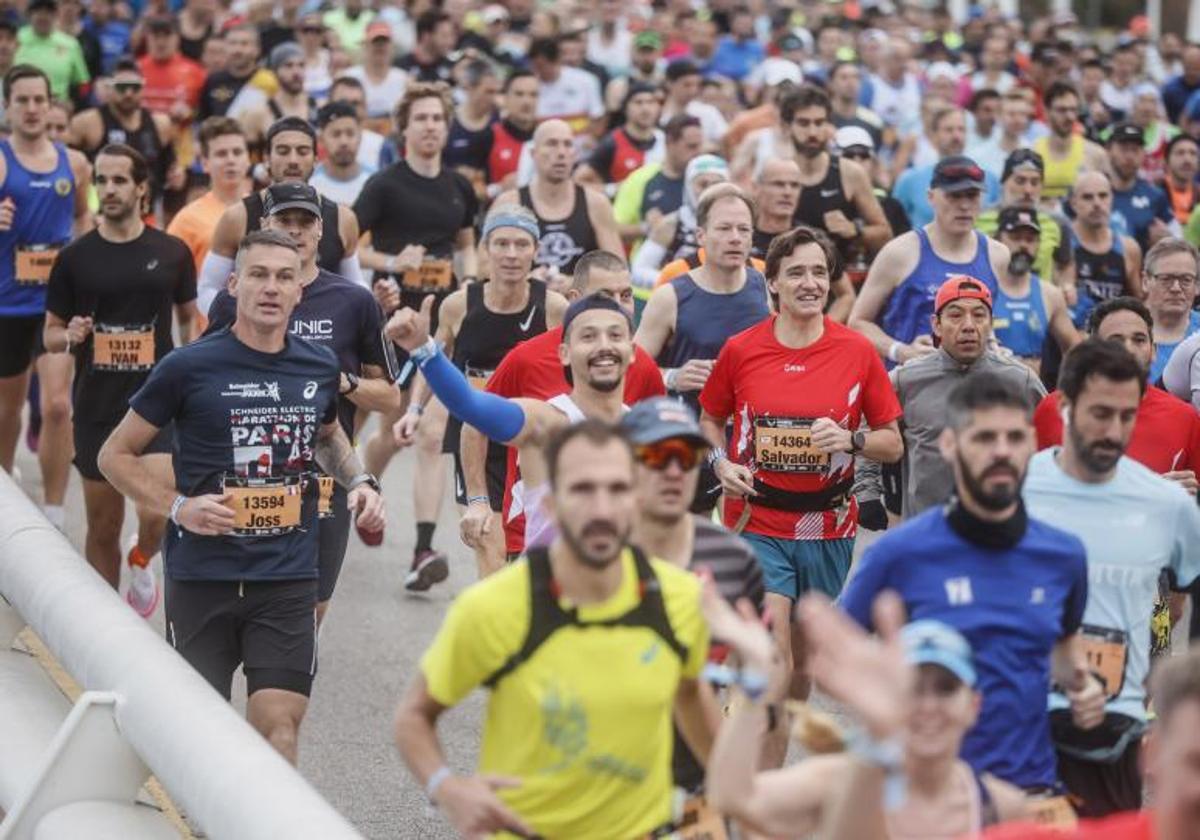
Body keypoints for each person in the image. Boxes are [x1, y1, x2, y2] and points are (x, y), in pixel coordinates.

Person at [98, 229, 385, 764]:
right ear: (234, 284)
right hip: (203, 577)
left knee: (279, 730)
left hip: (288, 577)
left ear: (301, 289)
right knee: (197, 737)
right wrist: (180, 507)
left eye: (284, 276)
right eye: (257, 275)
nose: (271, 288)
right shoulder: (187, 367)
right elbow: (114, 456)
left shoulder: (319, 365)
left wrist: (361, 481)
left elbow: (326, 435)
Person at [393, 420, 712, 840]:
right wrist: (447, 788)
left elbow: (692, 700)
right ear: (549, 504)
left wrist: (715, 806)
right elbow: (413, 715)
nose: (601, 509)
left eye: (616, 490)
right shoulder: (493, 606)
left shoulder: (683, 599)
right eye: (582, 490)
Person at [839, 372, 1105, 793]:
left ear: (1033, 445)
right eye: (983, 438)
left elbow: (1063, 649)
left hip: (1029, 789)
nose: (1002, 451)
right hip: (927, 795)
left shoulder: (1064, 555)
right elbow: (834, 654)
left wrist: (1084, 685)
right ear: (949, 445)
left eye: (1015, 438)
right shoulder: (901, 553)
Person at [699, 225, 902, 755]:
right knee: (774, 654)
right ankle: (760, 803)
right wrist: (721, 463)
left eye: (818, 272)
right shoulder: (742, 350)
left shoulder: (856, 353)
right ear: (773, 284)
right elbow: (709, 419)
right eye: (796, 273)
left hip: (827, 526)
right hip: (757, 520)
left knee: (800, 667)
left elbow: (891, 443)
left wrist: (851, 438)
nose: (809, 283)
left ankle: (766, 742)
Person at [1023, 338, 1200, 818]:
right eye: (1101, 413)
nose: (1115, 431)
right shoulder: (1016, 492)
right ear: (1064, 406)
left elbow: (1186, 595)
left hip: (1113, 732)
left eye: (1127, 415)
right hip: (1019, 720)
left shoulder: (1168, 506)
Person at [205, 184, 398, 622]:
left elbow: (389, 397)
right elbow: (202, 380)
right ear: (263, 226)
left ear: (320, 230)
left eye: (305, 222)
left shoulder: (354, 301)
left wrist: (342, 383)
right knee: (240, 605)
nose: (295, 231)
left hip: (326, 476)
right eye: (284, 221)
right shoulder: (234, 300)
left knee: (311, 612)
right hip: (249, 473)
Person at [705, 595, 1027, 837]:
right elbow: (735, 798)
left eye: (945, 689)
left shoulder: (1002, 806)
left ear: (973, 706)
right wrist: (753, 684)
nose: (928, 705)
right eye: (912, 688)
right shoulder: (837, 780)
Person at [43, 144, 195, 613]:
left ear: (142, 188)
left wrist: (192, 373)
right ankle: (106, 625)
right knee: (102, 527)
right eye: (102, 181)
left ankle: (143, 555)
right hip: (97, 406)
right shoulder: (74, 259)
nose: (108, 190)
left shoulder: (171, 252)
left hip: (157, 405)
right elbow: (49, 336)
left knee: (156, 511)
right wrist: (68, 335)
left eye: (119, 180)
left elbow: (190, 320)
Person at [394, 206, 567, 583]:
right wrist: (414, 411)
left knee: (540, 546)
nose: (511, 254)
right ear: (486, 248)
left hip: (531, 438)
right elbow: (432, 357)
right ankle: (499, 629)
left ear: (535, 251)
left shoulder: (553, 308)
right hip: (476, 438)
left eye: (521, 244)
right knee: (491, 544)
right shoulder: (460, 304)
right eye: (501, 243)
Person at [466, 250, 665, 563]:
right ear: (575, 298)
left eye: (626, 295)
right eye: (605, 295)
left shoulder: (640, 364)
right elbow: (474, 419)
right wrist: (478, 500)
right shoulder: (527, 358)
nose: (618, 304)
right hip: (531, 533)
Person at [353, 81, 478, 578]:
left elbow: (468, 242)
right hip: (392, 323)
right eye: (421, 118)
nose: (430, 126)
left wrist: (468, 278)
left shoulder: (459, 186)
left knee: (430, 433)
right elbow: (349, 246)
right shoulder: (385, 184)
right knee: (391, 432)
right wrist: (389, 260)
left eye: (438, 119)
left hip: (440, 326)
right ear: (404, 127)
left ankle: (423, 550)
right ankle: (367, 487)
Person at [621, 396, 765, 799]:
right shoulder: (593, 554)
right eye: (656, 455)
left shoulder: (734, 559)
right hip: (605, 780)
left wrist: (734, 734)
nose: (673, 471)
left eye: (685, 457)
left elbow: (749, 673)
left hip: (697, 779)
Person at [0, 65, 91, 532]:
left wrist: (82, 266)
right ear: (8, 106)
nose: (33, 109)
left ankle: (54, 513)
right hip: (7, 306)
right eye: (23, 100)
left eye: (40, 100)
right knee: (7, 409)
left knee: (57, 405)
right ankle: (5, 500)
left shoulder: (73, 163)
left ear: (51, 103)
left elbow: (82, 220)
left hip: (55, 306)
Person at [850, 156, 1008, 365]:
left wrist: (994, 347)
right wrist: (900, 351)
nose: (964, 206)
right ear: (931, 197)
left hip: (972, 387)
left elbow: (987, 323)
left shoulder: (997, 255)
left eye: (972, 196)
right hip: (912, 385)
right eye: (954, 196)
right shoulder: (900, 252)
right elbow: (857, 322)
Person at [636, 184, 771, 428]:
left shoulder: (763, 284)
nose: (735, 238)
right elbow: (630, 367)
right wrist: (672, 376)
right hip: (691, 433)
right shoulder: (671, 296)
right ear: (701, 236)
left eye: (743, 229)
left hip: (754, 433)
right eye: (723, 228)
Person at [199, 116, 363, 312]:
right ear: (266, 158)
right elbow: (208, 288)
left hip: (322, 334)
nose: (293, 160)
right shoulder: (237, 217)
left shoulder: (342, 218)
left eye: (302, 152)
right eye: (283, 151)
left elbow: (357, 286)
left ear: (315, 159)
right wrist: (239, 322)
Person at [493, 118, 622, 280]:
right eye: (552, 144)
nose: (561, 153)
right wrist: (525, 281)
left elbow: (618, 270)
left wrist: (575, 283)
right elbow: (485, 269)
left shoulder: (596, 203)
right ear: (533, 153)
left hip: (579, 302)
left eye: (568, 145)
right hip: (524, 301)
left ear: (575, 154)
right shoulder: (509, 203)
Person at [783, 86, 892, 269]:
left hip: (841, 278)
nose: (812, 132)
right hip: (790, 279)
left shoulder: (850, 173)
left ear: (829, 126)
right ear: (787, 127)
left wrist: (855, 231)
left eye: (819, 123)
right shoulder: (776, 173)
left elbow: (885, 234)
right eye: (803, 123)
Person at [67, 57, 179, 215]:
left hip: (145, 216)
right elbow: (66, 165)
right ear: (109, 88)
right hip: (101, 216)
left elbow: (173, 174)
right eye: (122, 87)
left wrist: (176, 175)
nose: (128, 93)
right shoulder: (87, 123)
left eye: (134, 88)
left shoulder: (160, 124)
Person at [992, 206, 1080, 375]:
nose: (1023, 245)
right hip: (989, 388)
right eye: (1015, 238)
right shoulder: (982, 287)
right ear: (998, 239)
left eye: (1030, 239)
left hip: (1034, 390)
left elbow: (1076, 351)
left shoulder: (1050, 294)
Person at [976, 149, 1074, 288]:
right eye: (1020, 181)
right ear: (1004, 182)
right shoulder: (979, 218)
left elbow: (1066, 263)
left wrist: (1067, 285)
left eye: (1035, 183)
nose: (1028, 190)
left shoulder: (1057, 222)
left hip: (1038, 303)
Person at [631, 153, 731, 289]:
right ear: (689, 187)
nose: (709, 191)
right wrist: (678, 285)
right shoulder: (672, 224)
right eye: (703, 184)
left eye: (717, 184)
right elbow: (638, 270)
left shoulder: (741, 223)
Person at [167, 118, 251, 278]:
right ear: (205, 163)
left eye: (237, 152)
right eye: (221, 154)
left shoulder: (264, 211)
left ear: (248, 160)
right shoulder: (187, 220)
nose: (231, 160)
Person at [892, 111, 1002, 229]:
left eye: (961, 129)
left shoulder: (988, 178)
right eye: (948, 130)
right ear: (933, 135)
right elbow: (895, 222)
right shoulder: (910, 179)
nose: (956, 136)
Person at [612, 113, 703, 246]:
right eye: (691, 146)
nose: (698, 153)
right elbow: (614, 229)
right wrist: (647, 228)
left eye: (700, 146)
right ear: (669, 143)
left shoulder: (705, 178)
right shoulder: (641, 179)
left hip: (696, 263)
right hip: (652, 264)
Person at [1068, 171, 1142, 328]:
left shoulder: (1128, 248)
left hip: (1115, 338)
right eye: (1088, 197)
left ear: (1112, 199)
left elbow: (1139, 303)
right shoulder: (1064, 245)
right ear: (1073, 203)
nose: (1097, 203)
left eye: (1103, 196)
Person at [575, 82, 663, 192]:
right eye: (638, 102)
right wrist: (612, 189)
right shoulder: (611, 143)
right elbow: (577, 182)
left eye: (651, 102)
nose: (645, 108)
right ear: (626, 108)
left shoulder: (665, 140)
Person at [1108, 121, 1179, 252]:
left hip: (1143, 268)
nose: (1129, 156)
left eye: (1135, 149)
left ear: (1143, 154)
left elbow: (1178, 240)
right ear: (1109, 150)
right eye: (1123, 149)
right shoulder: (1092, 191)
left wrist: (1166, 240)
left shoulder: (1155, 196)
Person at [1032, 82, 1108, 203]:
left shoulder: (1095, 154)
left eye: (1073, 110)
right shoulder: (1032, 153)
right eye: (1062, 110)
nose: (1069, 116)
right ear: (1046, 112)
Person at [1140, 238, 1200, 382]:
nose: (1176, 288)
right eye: (1166, 279)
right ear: (1145, 281)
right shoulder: (1122, 331)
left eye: (1186, 280)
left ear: (1197, 286)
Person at [15, 0, 89, 103]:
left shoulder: (70, 44)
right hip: (20, 104)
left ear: (56, 16)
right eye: (38, 12)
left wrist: (76, 104)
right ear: (29, 15)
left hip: (57, 108)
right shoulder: (16, 39)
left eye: (48, 12)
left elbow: (84, 83)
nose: (44, 17)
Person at [309, 101, 373, 207]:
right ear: (321, 139)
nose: (344, 142)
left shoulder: (375, 181)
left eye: (350, 134)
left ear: (360, 137)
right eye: (336, 134)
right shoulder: (310, 184)